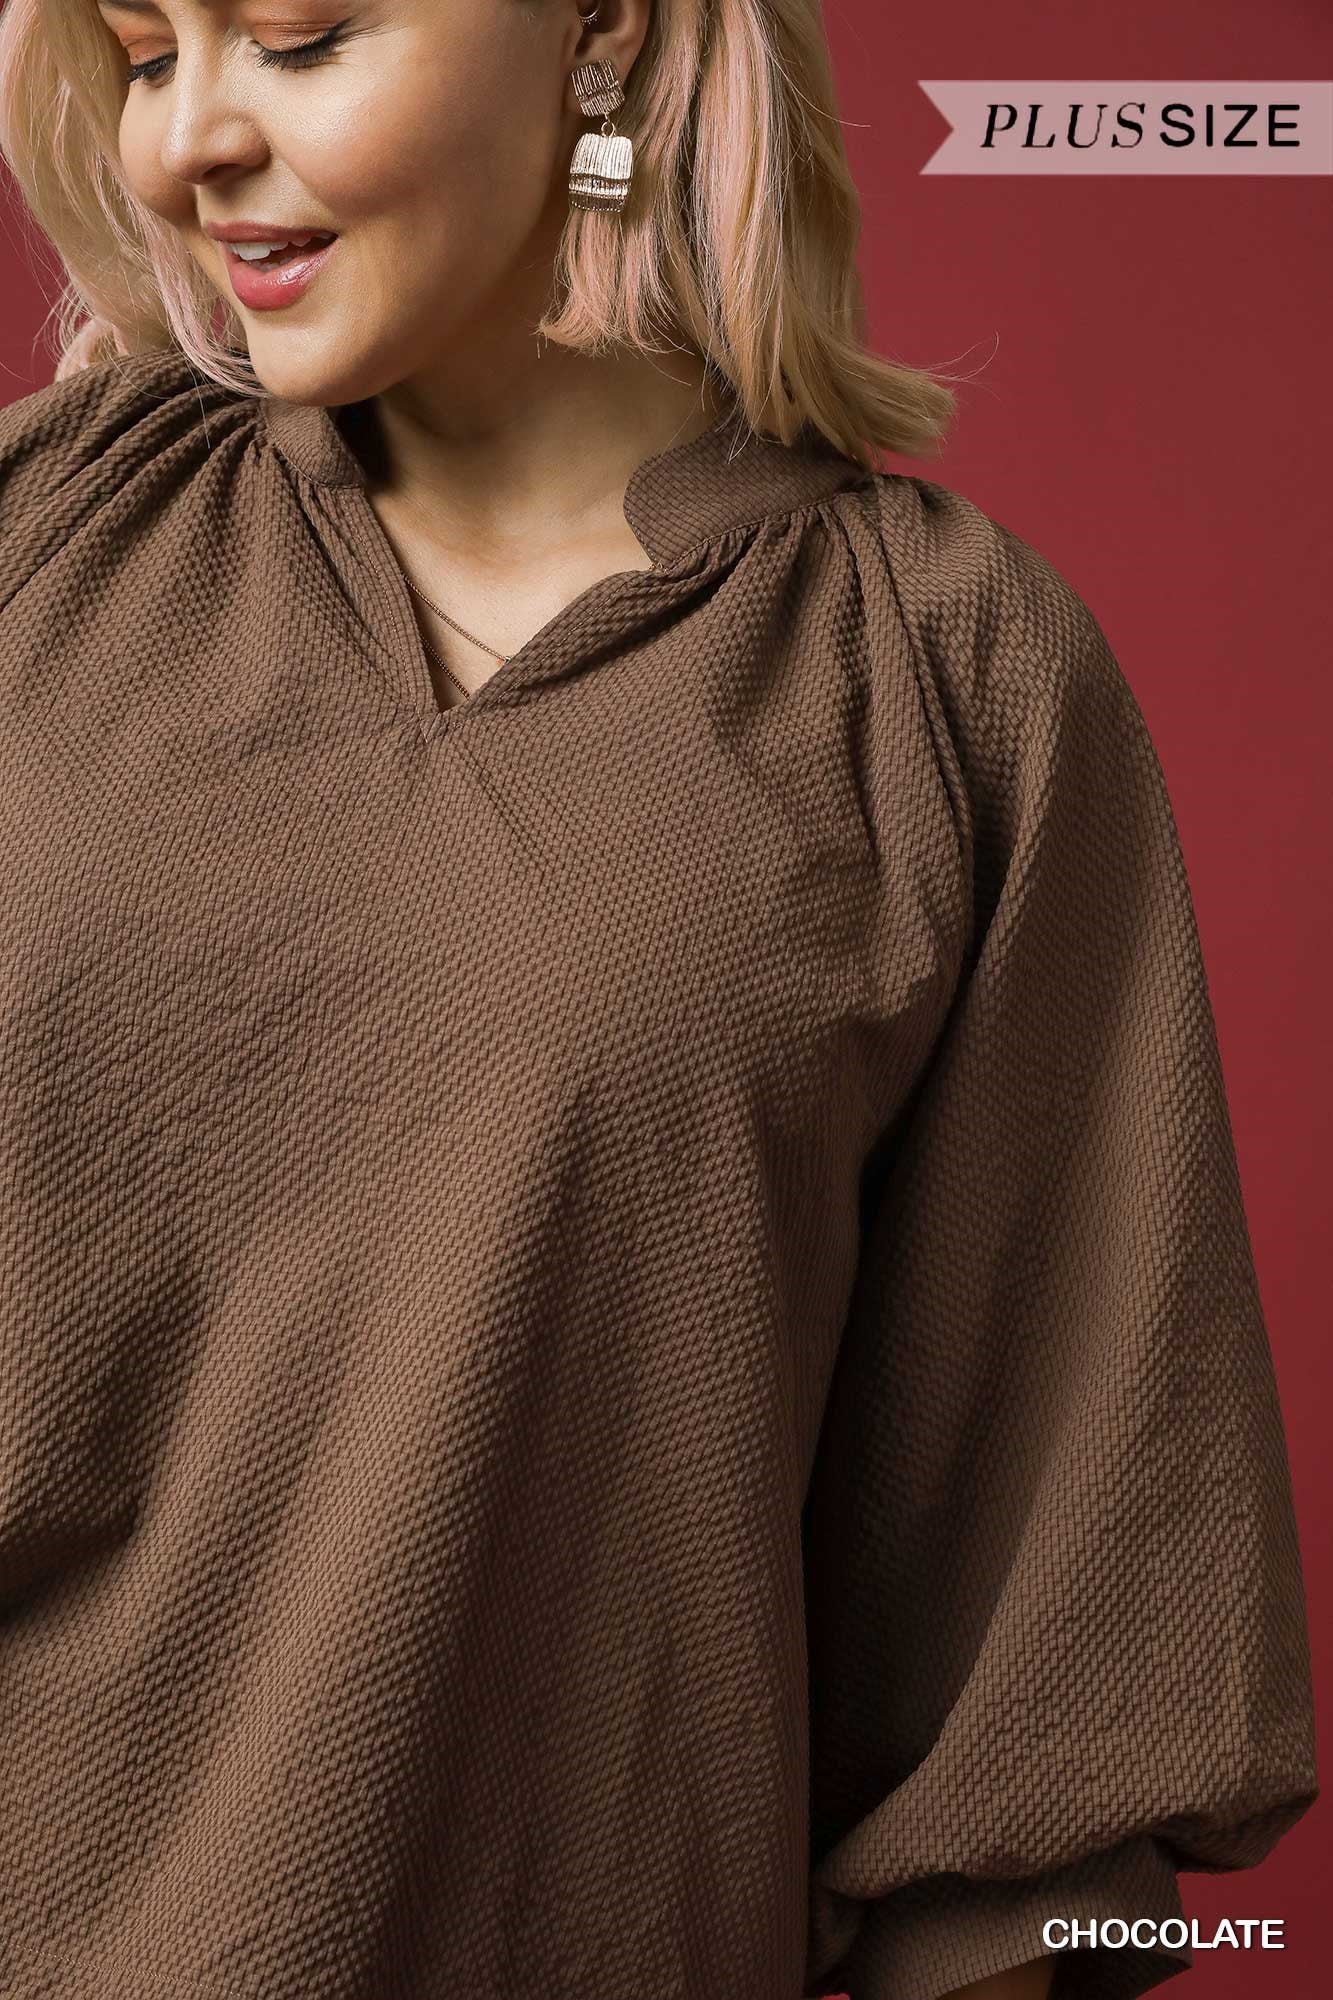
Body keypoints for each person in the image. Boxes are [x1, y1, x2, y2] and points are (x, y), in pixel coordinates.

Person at [0, 4, 1317, 1999]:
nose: (185, 140)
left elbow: (1038, 1755)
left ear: (600, 31)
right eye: (148, 52)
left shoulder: (942, 677)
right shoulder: (42, 543)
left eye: (295, 36)